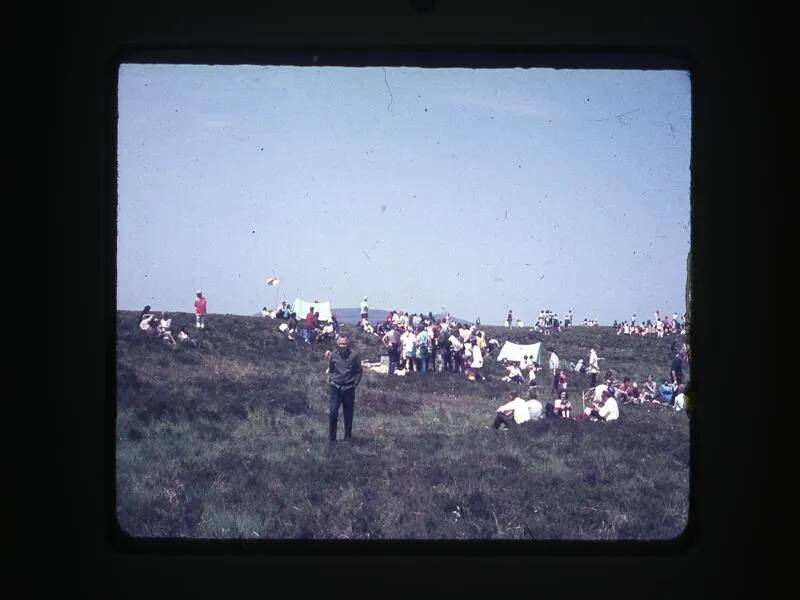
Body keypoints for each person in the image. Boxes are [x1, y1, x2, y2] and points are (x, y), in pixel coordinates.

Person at [324, 334, 363, 444]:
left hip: (349, 389)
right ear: (337, 344)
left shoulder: (354, 355)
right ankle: (332, 439)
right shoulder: (334, 355)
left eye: (344, 343)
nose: (342, 345)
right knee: (333, 412)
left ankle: (347, 438)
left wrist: (355, 384)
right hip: (335, 388)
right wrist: (331, 379)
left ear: (348, 343)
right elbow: (331, 369)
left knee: (348, 414)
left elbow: (359, 371)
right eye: (340, 343)